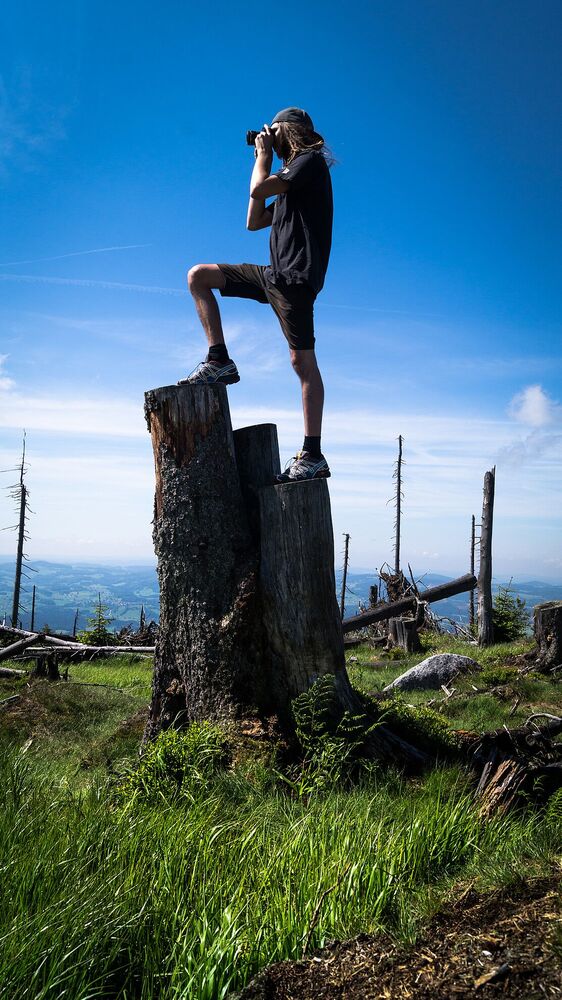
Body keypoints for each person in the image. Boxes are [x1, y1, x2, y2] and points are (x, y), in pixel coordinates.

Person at [181, 107, 333, 483]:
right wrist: (260, 161)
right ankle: (219, 360)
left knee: (302, 363)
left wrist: (263, 159)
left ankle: (313, 455)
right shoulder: (290, 181)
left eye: (274, 130)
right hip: (272, 275)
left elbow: (258, 189)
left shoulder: (310, 163)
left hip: (296, 280)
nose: (268, 136)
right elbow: (253, 221)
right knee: (199, 276)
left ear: (290, 131)